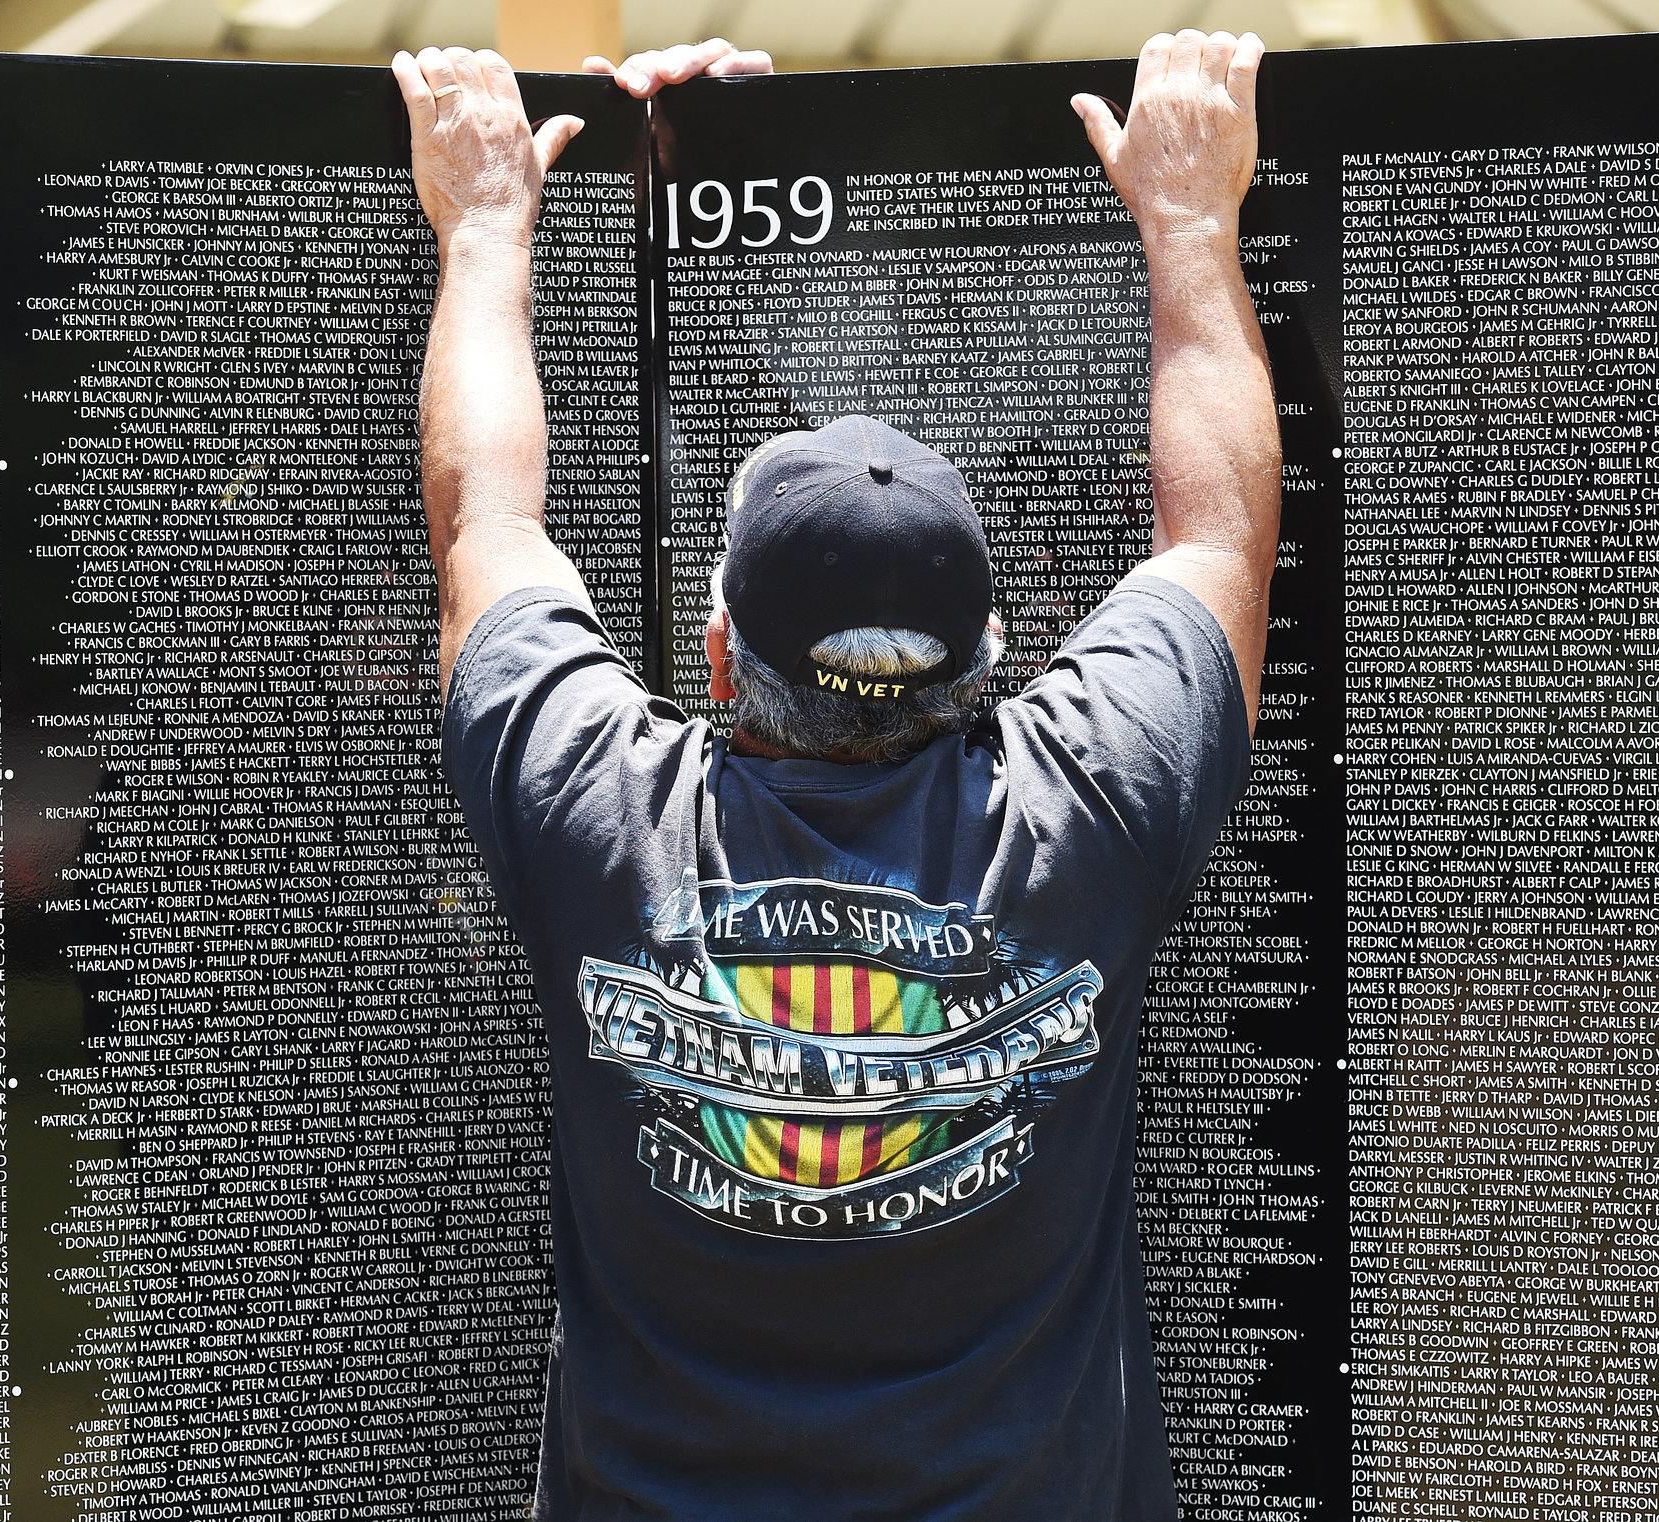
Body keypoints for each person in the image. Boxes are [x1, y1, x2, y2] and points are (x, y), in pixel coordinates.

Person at [393, 26, 1278, 1521]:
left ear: (722, 651)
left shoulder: (596, 813)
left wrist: (484, 233)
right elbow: (1217, 541)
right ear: (994, 648)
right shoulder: (1093, 805)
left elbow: (488, 524)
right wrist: (1189, 227)